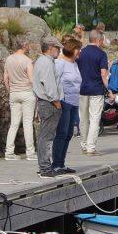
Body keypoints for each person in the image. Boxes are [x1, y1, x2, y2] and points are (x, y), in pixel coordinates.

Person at [76, 30, 110, 156]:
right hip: (96, 89)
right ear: (98, 40)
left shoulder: (81, 53)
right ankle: (91, 147)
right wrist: (110, 90)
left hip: (82, 89)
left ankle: (84, 145)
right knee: (94, 119)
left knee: (83, 119)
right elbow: (103, 74)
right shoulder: (101, 54)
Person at [32, 36, 62, 177]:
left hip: (46, 102)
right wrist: (56, 102)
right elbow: (49, 84)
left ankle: (45, 166)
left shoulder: (42, 61)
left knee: (46, 136)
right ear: (51, 47)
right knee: (46, 137)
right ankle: (45, 168)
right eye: (58, 48)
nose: (59, 50)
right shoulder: (46, 62)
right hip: (49, 103)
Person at [3, 40, 36, 161]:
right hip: (27, 92)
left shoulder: (9, 59)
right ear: (24, 46)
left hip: (14, 93)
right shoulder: (27, 61)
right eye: (27, 45)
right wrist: (36, 93)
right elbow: (32, 79)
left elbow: (5, 78)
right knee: (27, 123)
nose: (29, 47)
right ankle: (30, 153)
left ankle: (9, 152)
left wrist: (10, 91)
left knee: (14, 123)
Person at [52, 38, 82, 174]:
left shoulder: (74, 64)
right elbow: (53, 80)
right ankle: (56, 164)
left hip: (74, 102)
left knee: (69, 133)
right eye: (78, 49)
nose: (79, 52)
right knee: (62, 132)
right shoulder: (60, 63)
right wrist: (56, 100)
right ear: (72, 49)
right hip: (64, 101)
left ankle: (62, 163)